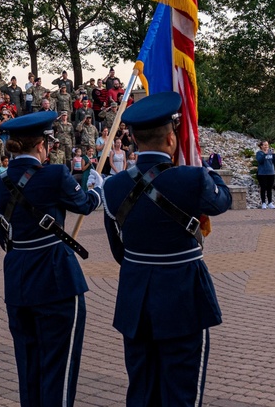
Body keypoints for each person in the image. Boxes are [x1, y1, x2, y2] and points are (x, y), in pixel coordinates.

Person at [98, 92, 231, 406]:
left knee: (142, 391)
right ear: (172, 138)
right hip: (183, 294)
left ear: (131, 138)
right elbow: (221, 201)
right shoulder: (192, 178)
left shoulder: (113, 187)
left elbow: (120, 249)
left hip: (136, 294)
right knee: (181, 393)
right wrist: (205, 169)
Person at [0, 110, 103, 407]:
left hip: (18, 277)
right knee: (59, 369)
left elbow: (4, 238)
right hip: (56, 278)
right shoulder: (55, 174)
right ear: (43, 145)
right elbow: (85, 205)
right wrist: (97, 187)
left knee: (29, 367)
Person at [255, 140, 275, 209]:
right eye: (265, 145)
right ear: (261, 146)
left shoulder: (271, 153)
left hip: (271, 172)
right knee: (263, 188)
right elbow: (260, 161)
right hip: (262, 173)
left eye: (267, 145)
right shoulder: (259, 153)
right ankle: (263, 203)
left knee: (269, 188)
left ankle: (270, 202)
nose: (266, 147)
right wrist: (265, 154)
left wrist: (274, 154)